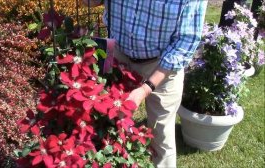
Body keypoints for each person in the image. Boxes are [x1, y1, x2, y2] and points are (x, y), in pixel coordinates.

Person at [83, 0, 208, 167]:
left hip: (163, 64)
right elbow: (90, 3)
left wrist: (145, 89)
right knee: (111, 123)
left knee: (161, 135)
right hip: (119, 55)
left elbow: (186, 41)